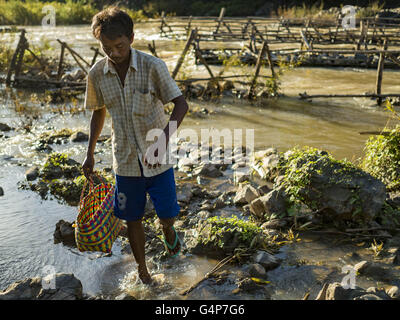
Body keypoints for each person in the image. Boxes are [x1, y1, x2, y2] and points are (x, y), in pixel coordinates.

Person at [81, 6, 189, 284]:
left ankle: (168, 232)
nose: (114, 53)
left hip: (159, 160)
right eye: (107, 47)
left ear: (131, 37)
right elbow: (98, 111)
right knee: (132, 218)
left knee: (167, 214)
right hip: (125, 161)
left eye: (119, 46)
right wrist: (90, 153)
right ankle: (143, 272)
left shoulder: (153, 67)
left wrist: (162, 141)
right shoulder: (96, 74)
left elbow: (181, 104)